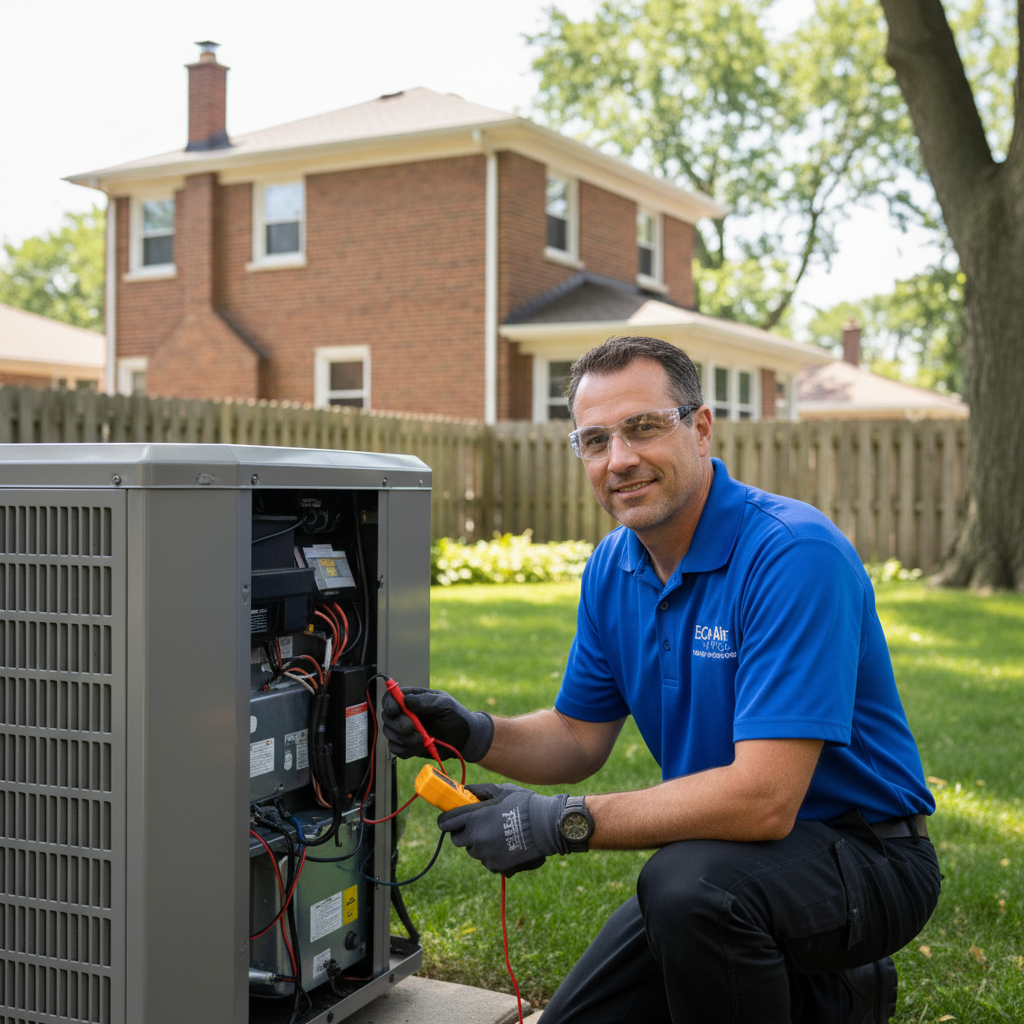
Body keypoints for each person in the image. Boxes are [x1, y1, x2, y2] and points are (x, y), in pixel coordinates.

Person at [382, 335, 940, 1024]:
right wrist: (474, 732)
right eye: (595, 440)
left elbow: (766, 799)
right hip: (727, 860)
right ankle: (817, 990)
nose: (620, 460)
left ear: (700, 427)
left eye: (643, 427)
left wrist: (557, 823)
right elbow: (578, 736)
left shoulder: (793, 554)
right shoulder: (614, 567)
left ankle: (833, 984)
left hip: (865, 856)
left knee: (685, 889)